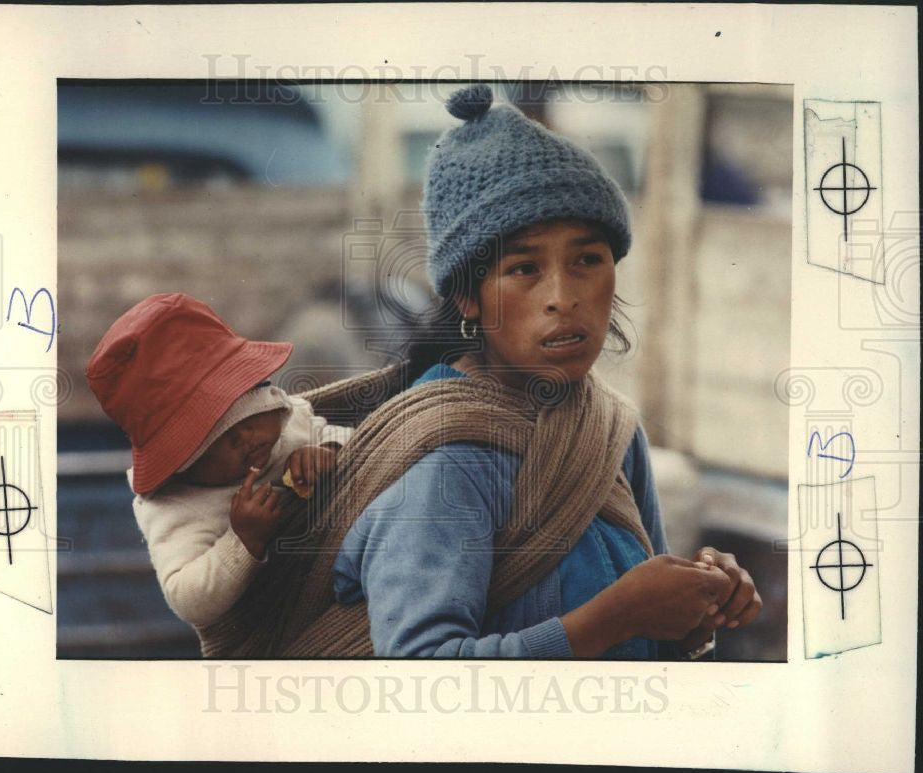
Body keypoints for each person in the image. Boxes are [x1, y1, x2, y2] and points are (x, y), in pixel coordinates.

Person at [313, 84, 761, 658]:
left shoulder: (609, 430)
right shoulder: (446, 461)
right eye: (524, 267)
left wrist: (697, 604)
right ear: (469, 298)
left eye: (587, 260)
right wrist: (619, 614)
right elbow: (422, 681)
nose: (563, 296)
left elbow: (645, 638)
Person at [84, 292, 353, 629]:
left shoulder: (290, 418)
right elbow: (187, 598)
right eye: (220, 440)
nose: (247, 440)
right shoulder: (177, 507)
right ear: (181, 463)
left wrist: (327, 450)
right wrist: (241, 541)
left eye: (252, 418)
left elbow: (358, 442)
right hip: (281, 625)